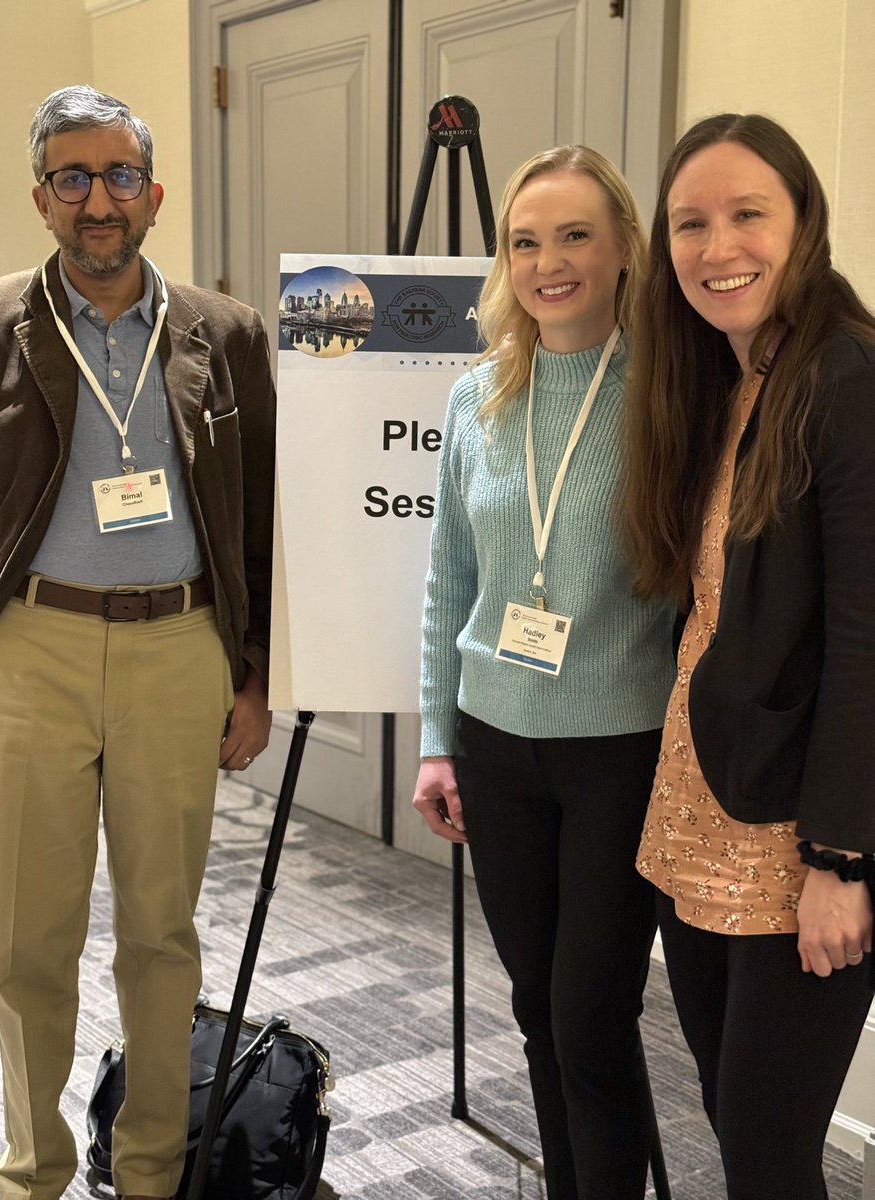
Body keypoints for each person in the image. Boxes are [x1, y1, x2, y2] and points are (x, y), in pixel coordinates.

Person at [0, 85, 276, 1200]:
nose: (97, 200)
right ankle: (32, 1170)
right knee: (23, 946)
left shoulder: (224, 334)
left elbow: (254, 522)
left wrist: (252, 677)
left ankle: (152, 1170)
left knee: (161, 934)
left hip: (178, 647)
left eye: (117, 177)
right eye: (72, 178)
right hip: (28, 653)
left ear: (153, 193)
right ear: (42, 196)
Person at [412, 145, 675, 1199]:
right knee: (535, 1009)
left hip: (621, 748)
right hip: (496, 743)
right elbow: (448, 580)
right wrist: (438, 739)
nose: (548, 261)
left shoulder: (669, 394)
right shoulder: (477, 396)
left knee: (590, 1015)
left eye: (574, 236)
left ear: (620, 251)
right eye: (526, 241)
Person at [623, 113, 875, 1199]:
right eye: (690, 223)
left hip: (796, 838)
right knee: (735, 1125)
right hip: (700, 808)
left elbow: (871, 635)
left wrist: (842, 860)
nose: (717, 247)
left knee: (770, 1153)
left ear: (803, 223)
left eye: (746, 215)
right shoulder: (732, 381)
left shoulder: (848, 378)